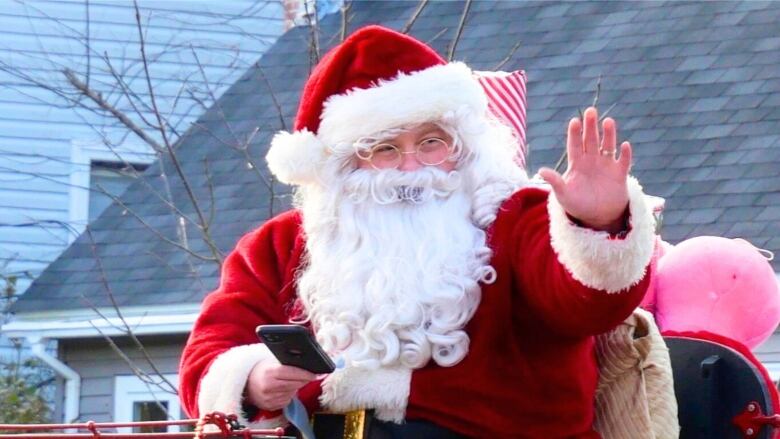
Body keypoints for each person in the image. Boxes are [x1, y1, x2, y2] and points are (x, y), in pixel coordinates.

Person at [179, 25, 655, 438]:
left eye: (430, 142)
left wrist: (596, 225)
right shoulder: (283, 246)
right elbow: (209, 352)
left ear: (462, 144)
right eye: (384, 149)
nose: (410, 167)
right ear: (346, 164)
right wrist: (252, 380)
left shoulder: (515, 216)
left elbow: (584, 304)